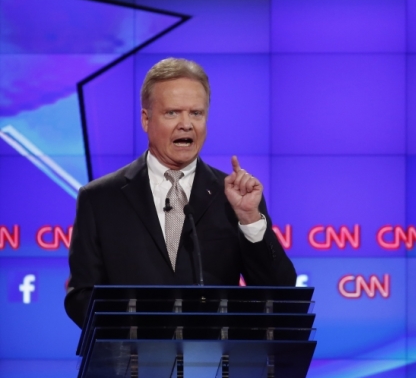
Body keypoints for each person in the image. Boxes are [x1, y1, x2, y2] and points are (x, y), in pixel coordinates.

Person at [64, 58, 296, 328]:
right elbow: (81, 296)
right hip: (133, 364)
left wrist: (250, 220)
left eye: (196, 113)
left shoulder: (234, 198)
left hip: (213, 363)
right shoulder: (100, 198)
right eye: (173, 113)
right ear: (146, 119)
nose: (186, 124)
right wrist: (139, 334)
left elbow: (279, 293)